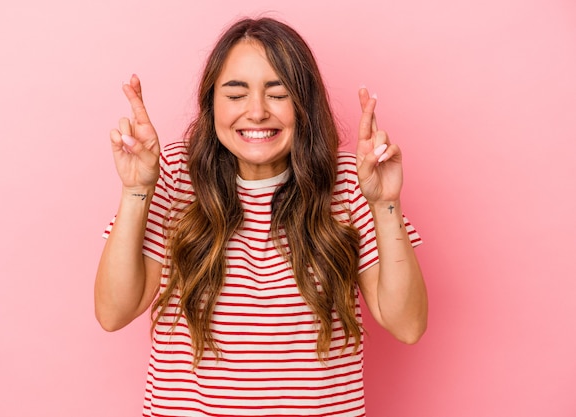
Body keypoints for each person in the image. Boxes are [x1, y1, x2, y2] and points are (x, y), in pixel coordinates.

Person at [95, 16, 427, 417]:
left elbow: (407, 325)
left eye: (278, 92)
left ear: (303, 102)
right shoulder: (172, 177)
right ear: (211, 103)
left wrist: (386, 203)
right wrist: (136, 190)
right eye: (235, 94)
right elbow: (113, 313)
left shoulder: (351, 181)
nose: (256, 112)